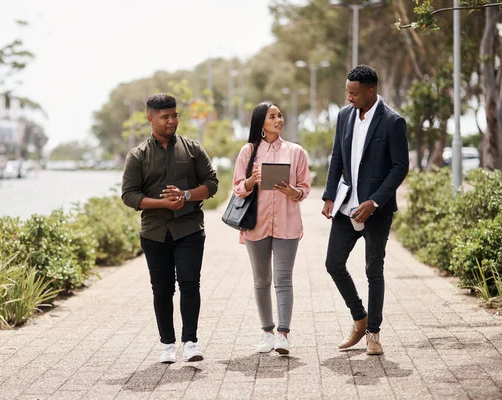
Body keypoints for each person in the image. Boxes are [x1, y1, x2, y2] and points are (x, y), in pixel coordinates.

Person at [121, 93, 218, 364]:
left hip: (189, 229)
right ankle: (167, 344)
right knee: (162, 289)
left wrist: (186, 196)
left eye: (174, 115)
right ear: (150, 119)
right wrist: (162, 203)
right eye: (165, 117)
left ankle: (191, 342)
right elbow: (129, 194)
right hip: (154, 232)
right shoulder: (137, 156)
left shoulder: (192, 149)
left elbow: (211, 183)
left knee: (189, 284)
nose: (171, 121)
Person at [321, 65, 409, 355]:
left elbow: (400, 167)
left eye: (354, 93)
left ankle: (373, 334)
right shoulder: (345, 116)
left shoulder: (392, 121)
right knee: (333, 263)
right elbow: (337, 156)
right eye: (347, 92)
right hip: (347, 206)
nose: (349, 98)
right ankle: (360, 318)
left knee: (374, 269)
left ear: (371, 91)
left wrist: (375, 202)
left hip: (376, 209)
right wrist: (329, 195)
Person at [232, 101, 311, 355]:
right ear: (261, 124)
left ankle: (283, 335)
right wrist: (251, 181)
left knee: (283, 278)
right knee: (261, 279)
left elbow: (305, 189)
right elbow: (236, 188)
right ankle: (266, 332)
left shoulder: (296, 151)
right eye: (272, 117)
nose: (279, 120)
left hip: (287, 224)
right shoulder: (248, 152)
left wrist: (292, 191)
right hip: (256, 224)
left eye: (280, 115)